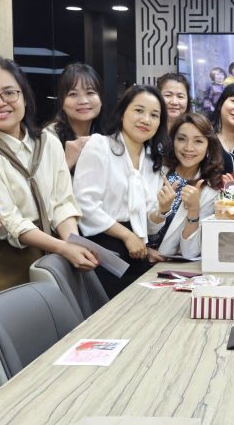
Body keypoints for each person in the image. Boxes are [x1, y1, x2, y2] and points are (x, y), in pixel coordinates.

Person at [0, 57, 98, 296]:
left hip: (56, 256)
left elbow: (63, 202)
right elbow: (8, 218)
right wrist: (63, 248)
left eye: (9, 93)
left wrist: (74, 243)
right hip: (7, 262)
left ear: (24, 96)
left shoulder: (48, 141)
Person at [73, 85, 171, 297]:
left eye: (154, 115)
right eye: (139, 110)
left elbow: (149, 228)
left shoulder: (153, 161)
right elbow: (84, 204)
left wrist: (162, 210)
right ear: (122, 112)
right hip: (102, 251)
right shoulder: (100, 145)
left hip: (138, 253)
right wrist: (126, 236)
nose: (146, 119)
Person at [148, 112, 224, 260]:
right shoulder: (155, 170)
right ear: (173, 141)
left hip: (165, 265)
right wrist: (162, 211)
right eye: (182, 139)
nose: (189, 148)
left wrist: (194, 210)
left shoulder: (210, 192)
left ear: (208, 147)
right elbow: (136, 222)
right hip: (134, 255)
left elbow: (190, 252)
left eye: (198, 141)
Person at [44, 63, 105, 172]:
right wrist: (68, 161)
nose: (83, 101)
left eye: (90, 92)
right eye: (73, 94)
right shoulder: (48, 138)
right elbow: (42, 182)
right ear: (62, 102)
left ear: (101, 99)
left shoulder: (106, 136)